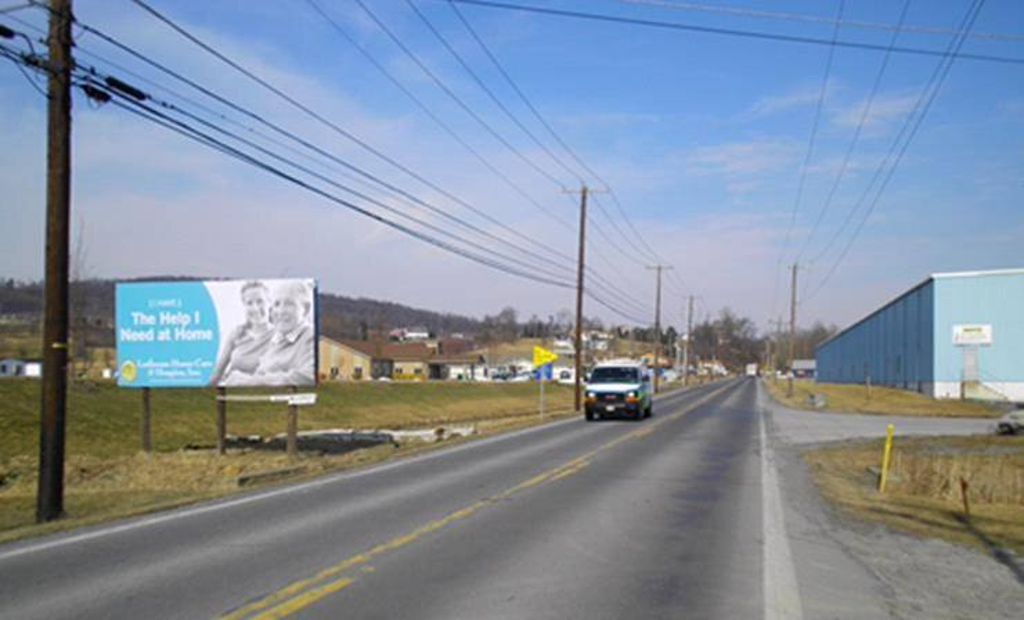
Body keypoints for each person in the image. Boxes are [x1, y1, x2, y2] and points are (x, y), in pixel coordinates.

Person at [222, 280, 315, 386]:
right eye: (277, 304)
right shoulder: (279, 338)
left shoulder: (310, 337)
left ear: (306, 309)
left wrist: (250, 381)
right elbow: (260, 375)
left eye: (289, 304)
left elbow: (307, 377)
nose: (280, 311)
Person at [210, 281, 274, 386]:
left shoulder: (280, 335)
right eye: (249, 303)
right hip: (230, 393)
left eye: (260, 301)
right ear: (244, 305)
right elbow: (217, 374)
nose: (255, 308)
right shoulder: (237, 333)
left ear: (269, 302)